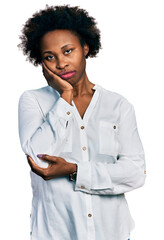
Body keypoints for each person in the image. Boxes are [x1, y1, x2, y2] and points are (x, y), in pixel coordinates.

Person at [18, 5, 146, 240]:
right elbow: (37, 157)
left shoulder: (118, 106)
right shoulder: (33, 101)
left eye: (68, 51)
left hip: (113, 233)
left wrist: (76, 171)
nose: (61, 63)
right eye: (50, 57)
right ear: (41, 62)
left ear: (85, 48)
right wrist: (65, 98)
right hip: (56, 234)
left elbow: (135, 173)